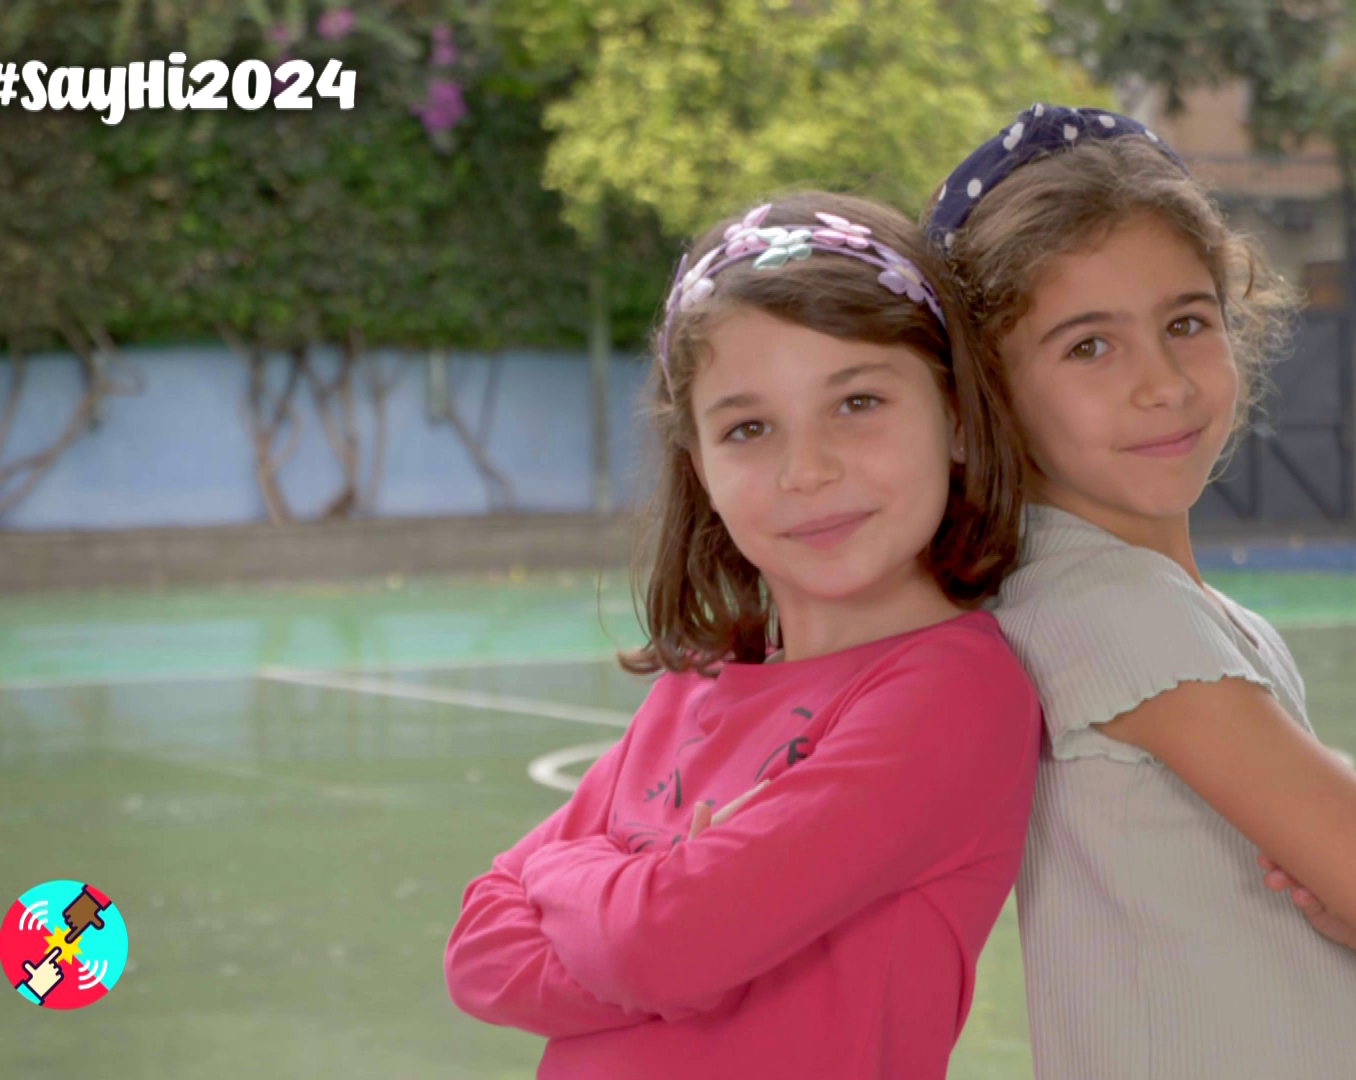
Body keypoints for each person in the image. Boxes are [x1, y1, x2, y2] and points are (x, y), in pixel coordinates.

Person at [926, 104, 1356, 1079]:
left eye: (1185, 322)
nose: (1165, 384)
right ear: (987, 397)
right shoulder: (1115, 614)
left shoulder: (1151, 609)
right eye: (1089, 346)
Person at [445, 191, 1041, 1080]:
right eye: (748, 428)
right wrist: (652, 899)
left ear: (955, 418)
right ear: (701, 468)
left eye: (858, 401)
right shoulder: (690, 691)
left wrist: (569, 876)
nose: (807, 470)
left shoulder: (953, 693)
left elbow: (664, 946)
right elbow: (477, 953)